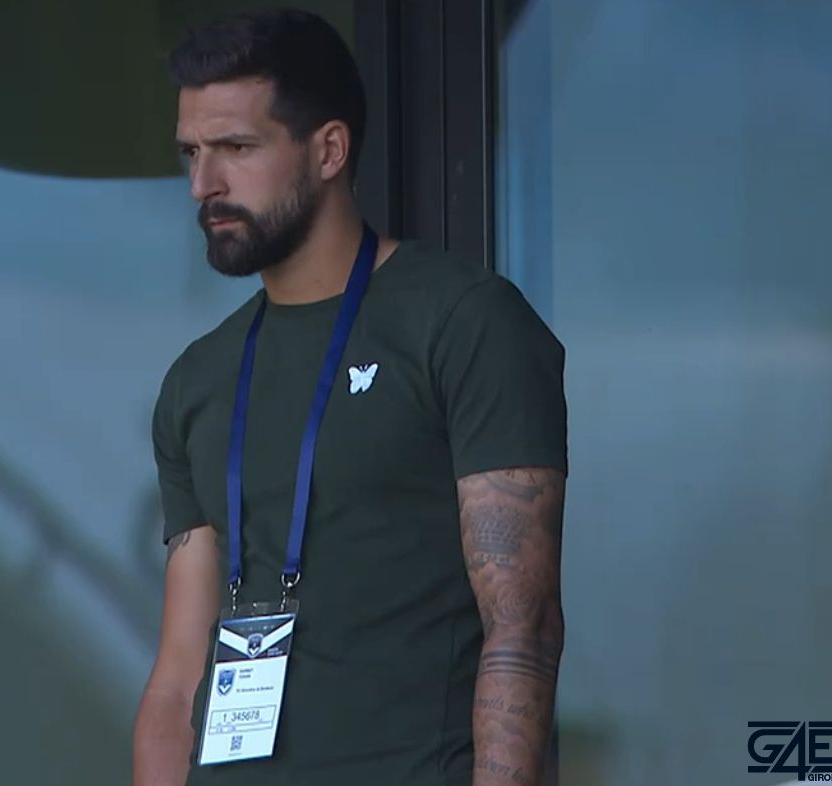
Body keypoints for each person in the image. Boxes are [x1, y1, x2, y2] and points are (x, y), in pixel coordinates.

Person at [132, 8, 568, 786]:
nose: (204, 185)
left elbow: (521, 629)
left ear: (328, 150)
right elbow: (176, 679)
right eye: (192, 153)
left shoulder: (462, 320)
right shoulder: (198, 379)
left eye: (236, 148)